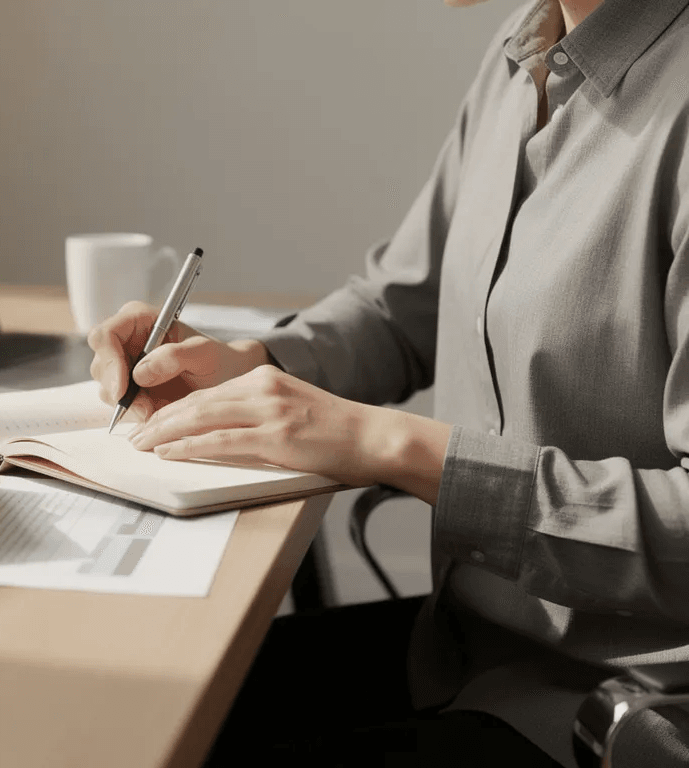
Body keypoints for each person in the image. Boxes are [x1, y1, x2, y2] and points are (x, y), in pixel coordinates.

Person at [87, 0, 689, 765]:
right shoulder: (530, 49)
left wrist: (387, 444)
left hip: (612, 709)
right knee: (133, 705)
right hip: (463, 651)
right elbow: (404, 305)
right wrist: (253, 366)